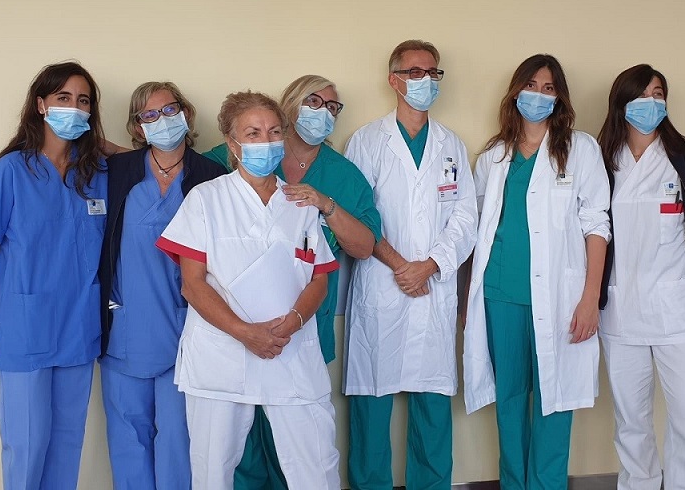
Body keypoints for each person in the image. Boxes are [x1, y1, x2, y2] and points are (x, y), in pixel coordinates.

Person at [203, 76, 382, 490]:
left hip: (303, 323)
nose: (324, 113)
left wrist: (325, 205)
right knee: (242, 445)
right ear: (290, 107)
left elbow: (364, 245)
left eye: (333, 107)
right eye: (314, 102)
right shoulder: (237, 154)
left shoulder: (343, 175)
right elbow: (177, 164)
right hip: (238, 326)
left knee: (300, 446)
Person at [156, 91, 341, 490]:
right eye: (253, 133)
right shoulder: (206, 199)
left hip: (291, 349)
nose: (265, 141)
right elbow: (192, 284)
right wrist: (245, 333)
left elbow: (319, 279)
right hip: (223, 354)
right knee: (212, 469)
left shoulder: (301, 203)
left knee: (318, 464)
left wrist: (293, 321)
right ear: (232, 142)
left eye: (274, 132)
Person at [463, 54, 611, 490]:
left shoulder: (580, 149)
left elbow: (596, 224)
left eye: (549, 88)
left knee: (554, 400)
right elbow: (475, 230)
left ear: (559, 97)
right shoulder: (494, 156)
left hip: (562, 297)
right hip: (500, 294)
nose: (539, 96)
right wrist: (465, 301)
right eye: (531, 86)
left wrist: (590, 297)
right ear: (515, 92)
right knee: (509, 403)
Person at [343, 39, 478, 490]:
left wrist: (432, 265)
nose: (426, 80)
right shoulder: (367, 141)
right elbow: (356, 215)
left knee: (433, 405)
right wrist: (402, 266)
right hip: (382, 284)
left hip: (432, 286)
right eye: (415, 72)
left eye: (433, 73)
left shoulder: (451, 144)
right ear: (394, 80)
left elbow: (465, 217)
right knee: (371, 402)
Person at [0, 62, 108, 489]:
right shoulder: (11, 171)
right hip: (23, 330)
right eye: (63, 98)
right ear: (41, 105)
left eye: (83, 101)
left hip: (78, 329)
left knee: (67, 446)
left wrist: (101, 144)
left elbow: (144, 158)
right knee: (26, 446)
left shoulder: (97, 173)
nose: (74, 108)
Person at [596, 65, 685, 490]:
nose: (652, 103)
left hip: (678, 311)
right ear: (622, 102)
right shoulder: (602, 160)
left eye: (659, 94)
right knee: (631, 422)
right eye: (643, 95)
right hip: (621, 312)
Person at [98, 82, 226, 489]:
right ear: (137, 127)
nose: (162, 120)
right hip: (126, 328)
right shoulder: (118, 172)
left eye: (170, 110)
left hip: (188, 330)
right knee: (128, 437)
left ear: (186, 113)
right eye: (149, 115)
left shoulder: (212, 176)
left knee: (179, 438)